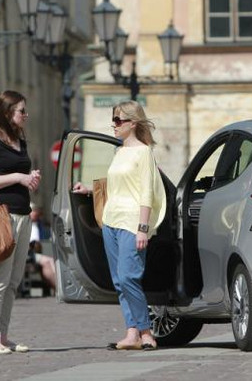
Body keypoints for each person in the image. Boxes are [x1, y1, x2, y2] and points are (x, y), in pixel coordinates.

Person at [72, 100, 166, 351]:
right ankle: (131, 332)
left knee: (129, 276)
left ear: (133, 123)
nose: (113, 125)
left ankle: (146, 332)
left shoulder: (144, 152)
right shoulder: (119, 151)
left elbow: (146, 191)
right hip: (111, 220)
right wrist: (90, 189)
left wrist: (143, 228)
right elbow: (116, 186)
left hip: (132, 221)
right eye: (113, 120)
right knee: (119, 281)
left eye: (118, 120)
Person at [0, 90, 41, 355]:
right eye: (21, 111)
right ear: (7, 113)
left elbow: (20, 178)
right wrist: (17, 177)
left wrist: (30, 178)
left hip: (23, 215)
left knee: (13, 281)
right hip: (2, 216)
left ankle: (2, 336)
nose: (26, 115)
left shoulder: (20, 141)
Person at [28, 205, 56, 292]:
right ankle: (57, 287)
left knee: (52, 261)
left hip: (38, 251)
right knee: (48, 261)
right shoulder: (26, 224)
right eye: (33, 212)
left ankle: (56, 287)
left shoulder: (40, 225)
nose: (35, 215)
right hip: (29, 253)